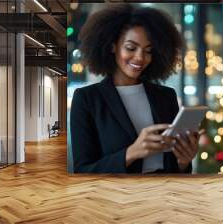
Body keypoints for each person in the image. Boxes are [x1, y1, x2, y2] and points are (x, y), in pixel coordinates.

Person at [71, 4, 201, 173]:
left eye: (148, 51)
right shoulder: (87, 99)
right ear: (112, 46)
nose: (140, 57)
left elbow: (176, 168)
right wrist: (131, 153)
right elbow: (82, 170)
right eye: (131, 48)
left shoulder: (166, 96)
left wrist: (184, 161)